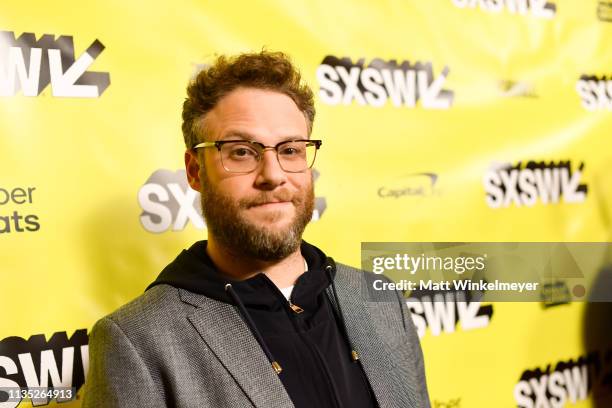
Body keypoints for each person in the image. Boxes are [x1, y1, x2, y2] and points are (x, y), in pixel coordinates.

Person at [82, 50, 430, 408]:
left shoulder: (380, 298)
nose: (273, 175)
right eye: (241, 152)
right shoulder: (138, 342)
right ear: (195, 171)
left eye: (291, 150)